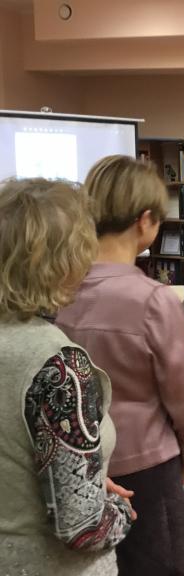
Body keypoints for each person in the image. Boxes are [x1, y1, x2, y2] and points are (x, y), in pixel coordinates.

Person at [56, 155, 184, 576]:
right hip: (147, 471)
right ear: (145, 221)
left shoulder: (57, 292)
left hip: (75, 469)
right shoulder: (154, 300)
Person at [0, 178, 134, 575]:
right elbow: (81, 529)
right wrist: (120, 509)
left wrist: (84, 484)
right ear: (66, 261)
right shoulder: (58, 366)